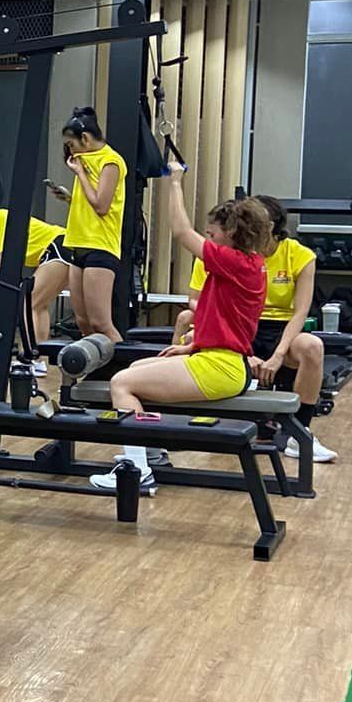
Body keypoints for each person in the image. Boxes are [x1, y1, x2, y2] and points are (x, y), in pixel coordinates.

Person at [91, 175, 270, 495]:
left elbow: (181, 233)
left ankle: (137, 472)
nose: (208, 237)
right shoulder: (243, 264)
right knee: (134, 371)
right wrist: (190, 348)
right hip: (220, 359)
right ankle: (150, 451)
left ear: (231, 233)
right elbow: (227, 321)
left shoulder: (237, 262)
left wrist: (174, 183)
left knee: (121, 383)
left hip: (221, 367)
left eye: (212, 232)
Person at [174, 193, 336, 465]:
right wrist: (242, 352)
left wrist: (278, 355)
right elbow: (197, 297)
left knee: (312, 347)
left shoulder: (300, 256)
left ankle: (300, 433)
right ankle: (180, 421)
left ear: (269, 226)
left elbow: (300, 313)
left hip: (280, 330)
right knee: (187, 326)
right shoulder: (225, 252)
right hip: (238, 325)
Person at [0, 197, 68, 353]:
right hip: (64, 247)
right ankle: (38, 357)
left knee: (29, 303)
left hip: (56, 249)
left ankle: (28, 356)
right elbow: (2, 262)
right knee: (39, 305)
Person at [60, 106, 127, 345]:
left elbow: (101, 205)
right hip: (78, 242)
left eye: (71, 144)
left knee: (101, 323)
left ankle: (122, 373)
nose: (70, 150)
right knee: (83, 322)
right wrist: (70, 197)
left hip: (100, 245)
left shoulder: (111, 161)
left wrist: (80, 174)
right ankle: (94, 375)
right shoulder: (85, 160)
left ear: (85, 138)